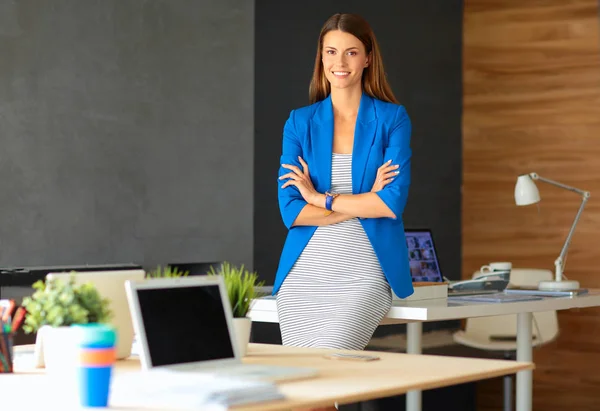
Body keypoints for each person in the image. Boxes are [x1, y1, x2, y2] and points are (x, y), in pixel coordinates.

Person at [274, 13, 413, 353]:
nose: (340, 62)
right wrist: (364, 200)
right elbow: (291, 211)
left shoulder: (392, 119)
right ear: (321, 58)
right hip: (305, 271)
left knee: (332, 363)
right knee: (308, 387)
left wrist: (321, 198)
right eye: (331, 52)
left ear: (367, 58)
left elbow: (389, 204)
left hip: (363, 271)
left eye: (351, 52)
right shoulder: (299, 122)